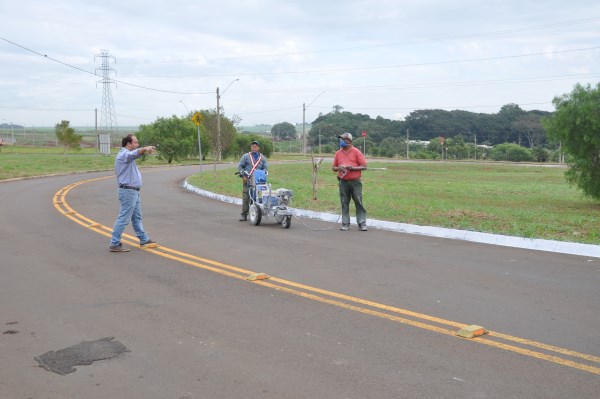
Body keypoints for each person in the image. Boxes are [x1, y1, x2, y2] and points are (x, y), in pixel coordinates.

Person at [109, 134, 158, 252]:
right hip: (128, 191)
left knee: (136, 217)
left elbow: (134, 154)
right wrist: (144, 149)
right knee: (124, 218)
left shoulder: (127, 156)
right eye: (135, 143)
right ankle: (114, 243)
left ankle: (143, 239)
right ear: (128, 144)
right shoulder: (123, 155)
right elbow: (134, 154)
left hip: (133, 191)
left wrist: (143, 150)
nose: (137, 145)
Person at [332, 132, 368, 231]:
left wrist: (353, 168)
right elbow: (333, 168)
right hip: (343, 181)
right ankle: (345, 223)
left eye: (343, 139)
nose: (341, 141)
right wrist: (338, 168)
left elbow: (364, 166)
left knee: (358, 201)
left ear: (349, 140)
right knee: (344, 202)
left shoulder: (356, 152)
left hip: (355, 182)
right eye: (341, 139)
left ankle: (362, 222)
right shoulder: (338, 153)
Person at [237, 140, 268, 221]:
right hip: (247, 180)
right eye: (252, 146)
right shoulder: (246, 156)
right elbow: (240, 166)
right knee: (246, 197)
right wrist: (243, 175)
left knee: (257, 198)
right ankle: (244, 214)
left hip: (258, 182)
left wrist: (263, 174)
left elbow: (265, 169)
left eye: (256, 146)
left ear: (259, 148)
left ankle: (254, 214)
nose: (254, 148)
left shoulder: (262, 158)